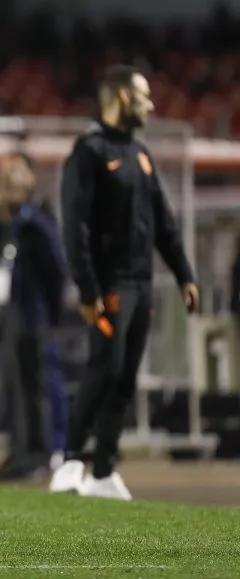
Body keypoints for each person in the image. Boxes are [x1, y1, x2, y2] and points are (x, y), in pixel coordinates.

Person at [50, 65, 199, 500]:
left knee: (126, 377)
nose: (151, 105)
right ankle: (72, 458)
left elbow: (165, 224)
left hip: (141, 283)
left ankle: (103, 471)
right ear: (120, 97)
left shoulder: (139, 154)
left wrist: (184, 274)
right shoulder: (89, 152)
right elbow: (74, 227)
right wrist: (88, 288)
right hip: (109, 283)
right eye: (143, 96)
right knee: (105, 370)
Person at [0, 152, 66, 482]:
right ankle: (18, 450)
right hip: (5, 316)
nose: (8, 180)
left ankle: (37, 453)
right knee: (11, 387)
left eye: (16, 172)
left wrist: (52, 316)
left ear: (31, 179)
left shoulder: (37, 223)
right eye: (4, 173)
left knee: (33, 388)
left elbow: (56, 274)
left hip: (31, 315)